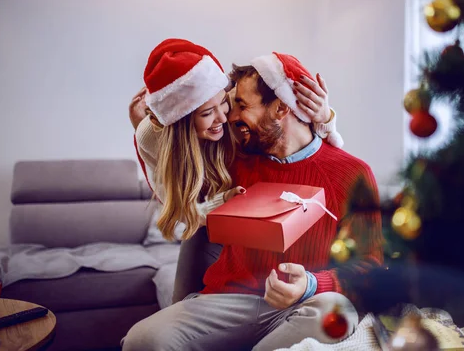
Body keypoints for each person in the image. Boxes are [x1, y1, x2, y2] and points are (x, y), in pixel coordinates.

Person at [122, 49, 383, 351]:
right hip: (232, 302)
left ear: (281, 109)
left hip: (304, 304)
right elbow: (176, 155)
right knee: (142, 340)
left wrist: (311, 283)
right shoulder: (232, 157)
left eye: (241, 106)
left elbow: (370, 267)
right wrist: (145, 124)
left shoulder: (352, 174)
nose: (230, 117)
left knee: (336, 310)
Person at [129, 39, 343, 302]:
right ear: (182, 121)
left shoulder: (226, 108)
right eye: (208, 113)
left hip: (242, 219)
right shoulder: (151, 138)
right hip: (204, 222)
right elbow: (184, 210)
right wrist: (220, 204)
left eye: (226, 103)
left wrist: (324, 118)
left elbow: (282, 125)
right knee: (181, 306)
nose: (225, 117)